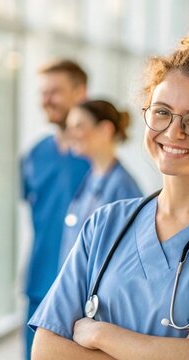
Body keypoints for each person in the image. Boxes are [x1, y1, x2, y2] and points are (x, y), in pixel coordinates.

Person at [29, 13, 189, 360]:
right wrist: (175, 351)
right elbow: (47, 350)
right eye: (162, 112)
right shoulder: (105, 225)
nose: (174, 132)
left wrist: (100, 333)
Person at [21, 59, 91, 359]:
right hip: (40, 284)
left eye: (55, 92)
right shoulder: (34, 155)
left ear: (80, 93)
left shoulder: (97, 159)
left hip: (86, 294)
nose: (46, 100)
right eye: (43, 93)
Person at [59, 100, 143, 267]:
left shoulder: (123, 188)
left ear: (105, 130)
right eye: (69, 127)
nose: (70, 134)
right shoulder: (90, 178)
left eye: (79, 126)